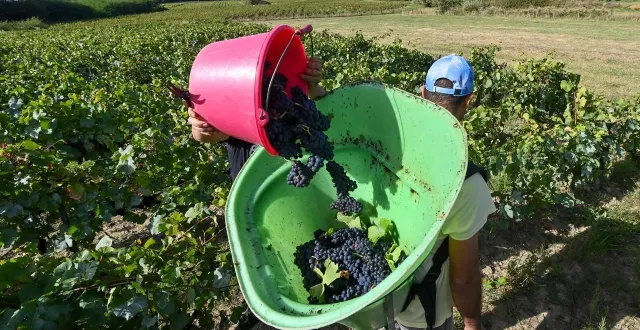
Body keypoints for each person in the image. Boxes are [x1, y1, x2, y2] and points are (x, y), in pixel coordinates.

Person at [394, 55, 496, 330]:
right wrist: (473, 322)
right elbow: (463, 279)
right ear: (469, 100)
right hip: (422, 315)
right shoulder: (467, 183)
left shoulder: (388, 148)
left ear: (423, 93)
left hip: (377, 300)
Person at [185, 56, 326, 181]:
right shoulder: (236, 116)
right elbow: (207, 135)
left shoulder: (291, 113)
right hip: (249, 193)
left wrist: (312, 86)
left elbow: (321, 113)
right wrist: (201, 124)